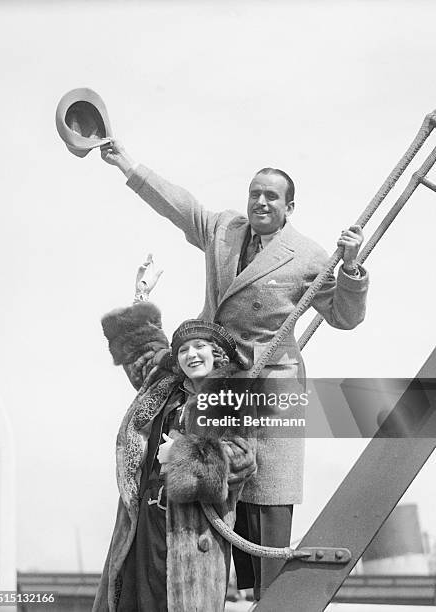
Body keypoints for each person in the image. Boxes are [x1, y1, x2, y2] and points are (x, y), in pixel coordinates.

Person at [98, 141, 369, 600]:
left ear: (289, 207)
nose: (261, 202)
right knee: (209, 501)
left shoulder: (306, 255)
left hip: (268, 389)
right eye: (254, 193)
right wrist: (124, 161)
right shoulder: (224, 229)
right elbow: (180, 204)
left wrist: (349, 267)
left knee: (265, 508)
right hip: (213, 376)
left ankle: (272, 600)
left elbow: (344, 317)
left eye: (272, 197)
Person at [93, 257, 256, 612]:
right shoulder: (166, 388)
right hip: (145, 521)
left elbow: (243, 458)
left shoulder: (231, 400)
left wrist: (180, 454)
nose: (191, 354)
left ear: (216, 354)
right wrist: (141, 296)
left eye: (198, 347)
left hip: (191, 531)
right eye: (182, 350)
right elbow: (144, 351)